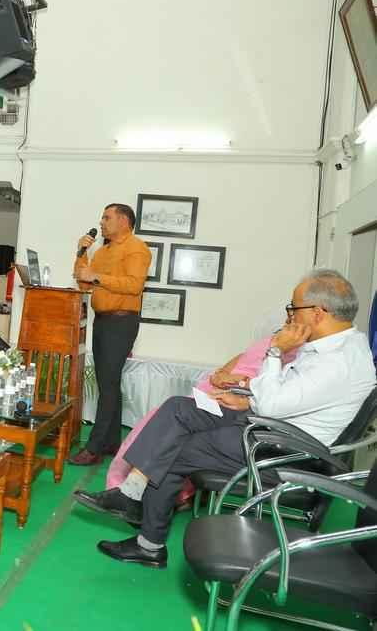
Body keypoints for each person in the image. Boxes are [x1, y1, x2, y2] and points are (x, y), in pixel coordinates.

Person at [75, 270, 377, 568]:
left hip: (280, 449)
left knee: (175, 446)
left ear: (317, 313)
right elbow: (292, 393)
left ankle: (149, 545)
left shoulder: (338, 363)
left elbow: (273, 404)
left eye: (294, 308)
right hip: (268, 425)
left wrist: (275, 351)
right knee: (179, 408)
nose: (291, 316)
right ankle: (131, 493)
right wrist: (247, 394)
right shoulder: (338, 346)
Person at [105, 322, 298, 504]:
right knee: (163, 413)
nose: (289, 320)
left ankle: (150, 494)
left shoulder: (293, 358)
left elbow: (268, 395)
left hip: (240, 408)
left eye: (294, 313)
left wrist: (239, 383)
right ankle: (131, 487)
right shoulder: (265, 344)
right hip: (214, 394)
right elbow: (222, 372)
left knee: (177, 420)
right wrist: (222, 378)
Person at [69, 203, 151, 466]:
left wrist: (97, 276)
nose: (101, 222)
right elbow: (83, 281)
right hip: (103, 321)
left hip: (122, 322)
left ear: (124, 221)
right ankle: (112, 442)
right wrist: (82, 253)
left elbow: (134, 285)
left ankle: (94, 448)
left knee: (109, 383)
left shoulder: (137, 248)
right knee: (108, 384)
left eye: (107, 217)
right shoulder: (102, 251)